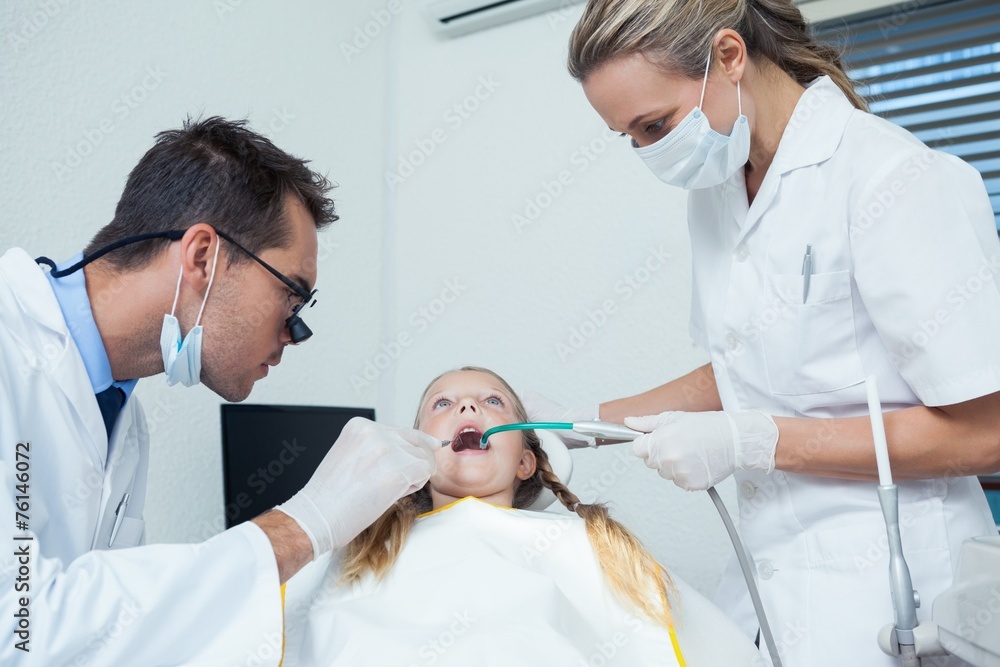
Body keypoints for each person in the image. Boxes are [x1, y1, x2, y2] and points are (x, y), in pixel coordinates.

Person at [524, 1, 1000, 665]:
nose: (646, 151)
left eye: (654, 124)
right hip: (768, 584)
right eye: (627, 135)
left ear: (728, 56)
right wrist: (580, 421)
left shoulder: (891, 178)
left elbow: (986, 432)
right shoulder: (718, 190)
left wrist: (758, 440)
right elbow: (745, 365)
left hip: (896, 588)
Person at [0, 117, 437, 666]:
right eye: (292, 298)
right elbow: (18, 630)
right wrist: (304, 524)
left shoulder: (122, 417)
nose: (295, 335)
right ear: (203, 257)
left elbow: (116, 638)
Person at [282, 366, 762, 666]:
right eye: (442, 404)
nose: (467, 405)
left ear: (525, 461)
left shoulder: (589, 546)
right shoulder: (363, 550)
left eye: (493, 402)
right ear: (416, 456)